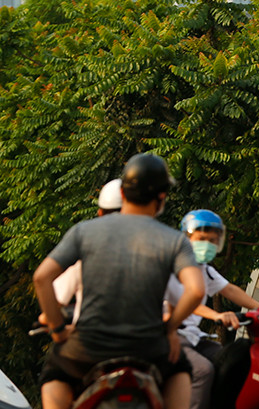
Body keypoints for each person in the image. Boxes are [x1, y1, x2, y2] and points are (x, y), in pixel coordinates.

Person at [33, 153, 205, 409]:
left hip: (86, 349)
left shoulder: (84, 231)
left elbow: (41, 277)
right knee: (181, 370)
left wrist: (58, 331)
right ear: (161, 198)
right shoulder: (175, 241)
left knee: (54, 374)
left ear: (123, 193)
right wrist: (169, 330)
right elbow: (196, 290)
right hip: (149, 350)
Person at [165, 210, 259, 409]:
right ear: (186, 238)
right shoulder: (174, 267)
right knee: (203, 371)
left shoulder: (205, 270)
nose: (207, 244)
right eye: (201, 239)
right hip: (169, 335)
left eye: (212, 240)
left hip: (194, 337)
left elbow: (230, 290)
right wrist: (216, 315)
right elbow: (188, 301)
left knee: (233, 363)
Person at [49, 179, 124, 327]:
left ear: (100, 213)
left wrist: (55, 328)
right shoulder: (154, 253)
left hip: (89, 336)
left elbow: (54, 298)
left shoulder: (83, 258)